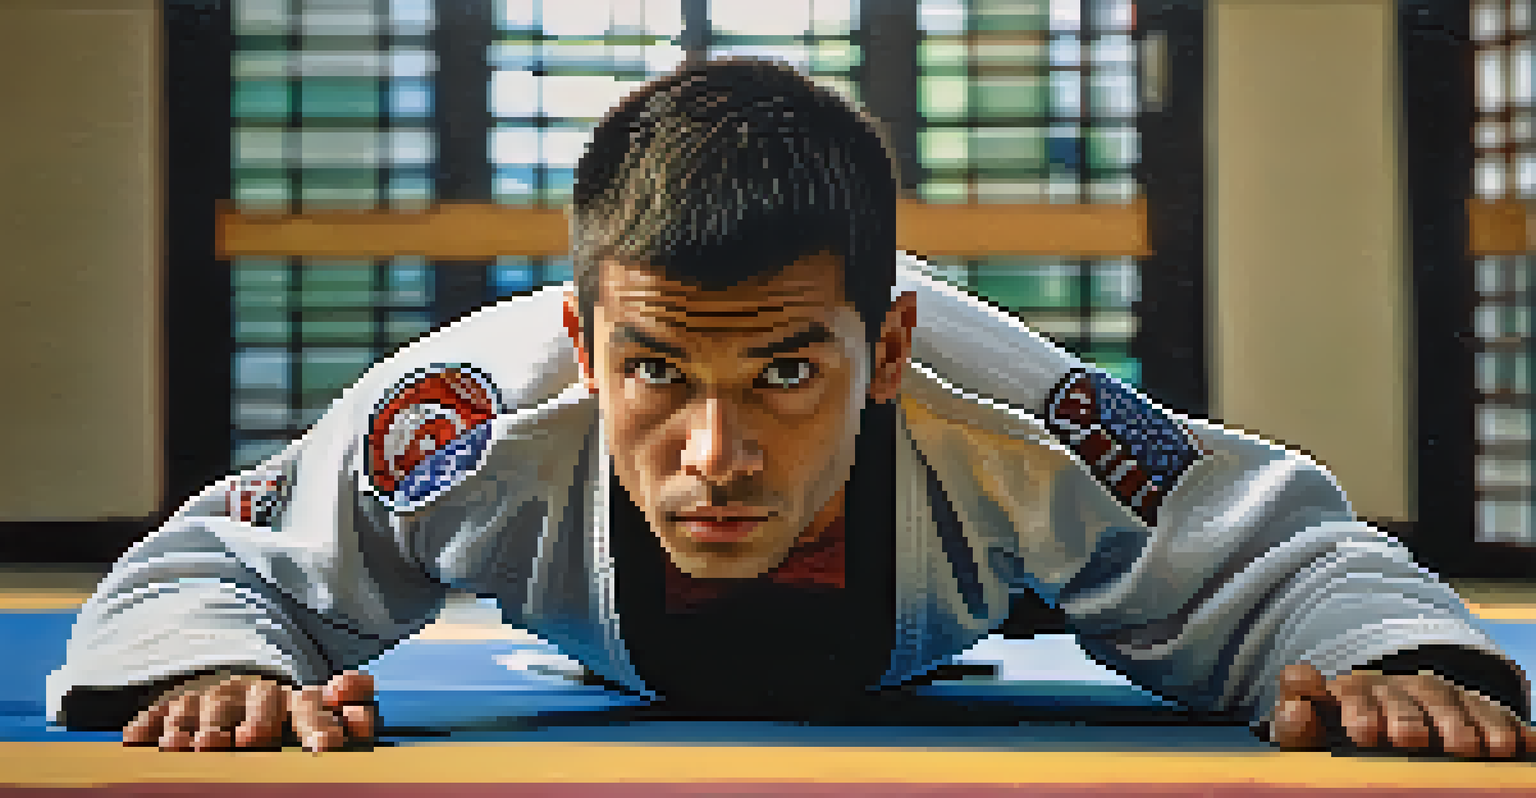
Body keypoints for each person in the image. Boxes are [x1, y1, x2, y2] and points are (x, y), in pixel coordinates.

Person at [50, 58, 1533, 758]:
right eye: (654, 371)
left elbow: (1279, 550)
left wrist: (1381, 657)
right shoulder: (468, 417)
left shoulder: (1005, 411)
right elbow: (212, 563)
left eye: (784, 370)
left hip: (958, 595)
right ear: (580, 339)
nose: (716, 455)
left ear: (888, 345)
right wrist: (215, 672)